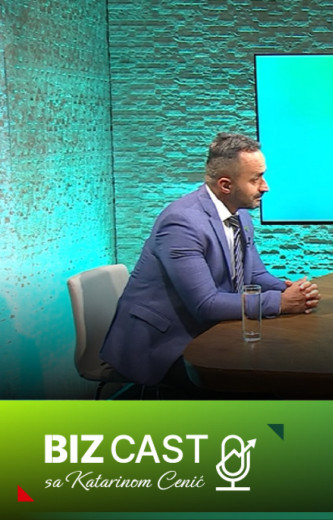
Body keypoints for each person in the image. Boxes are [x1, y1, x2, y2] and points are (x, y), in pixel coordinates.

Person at [100, 133, 320, 386]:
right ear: (226, 185)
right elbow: (205, 304)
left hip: (210, 329)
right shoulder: (181, 223)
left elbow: (255, 274)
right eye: (255, 179)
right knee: (257, 382)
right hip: (161, 344)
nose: (265, 186)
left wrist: (291, 291)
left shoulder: (239, 214)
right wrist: (280, 303)